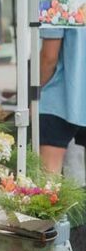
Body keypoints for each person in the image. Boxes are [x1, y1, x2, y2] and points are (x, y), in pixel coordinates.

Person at [39, 27, 86, 174]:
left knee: (49, 183)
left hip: (59, 96)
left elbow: (49, 58)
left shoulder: (57, 2)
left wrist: (34, 92)